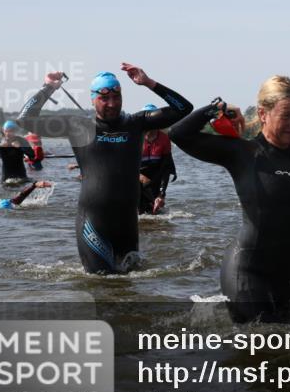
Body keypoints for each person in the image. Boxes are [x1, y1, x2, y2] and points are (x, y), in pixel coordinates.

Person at [169, 76, 290, 323]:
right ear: (263, 114)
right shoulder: (243, 152)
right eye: (286, 116)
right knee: (260, 342)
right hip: (246, 274)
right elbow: (178, 134)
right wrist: (216, 108)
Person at [16, 64, 193, 274]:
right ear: (93, 99)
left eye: (116, 97)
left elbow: (184, 108)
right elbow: (25, 120)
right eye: (104, 98)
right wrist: (48, 88)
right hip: (93, 222)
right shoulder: (78, 126)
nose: (112, 103)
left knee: (132, 283)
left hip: (127, 223)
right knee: (101, 282)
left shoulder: (137, 123)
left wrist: (148, 82)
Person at [139, 104, 178, 215]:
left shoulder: (164, 139)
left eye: (153, 119)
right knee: (138, 211)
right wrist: (140, 177)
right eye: (146, 119)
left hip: (155, 177)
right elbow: (124, 166)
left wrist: (161, 193)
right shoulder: (134, 138)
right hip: (137, 178)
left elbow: (166, 167)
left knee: (154, 211)